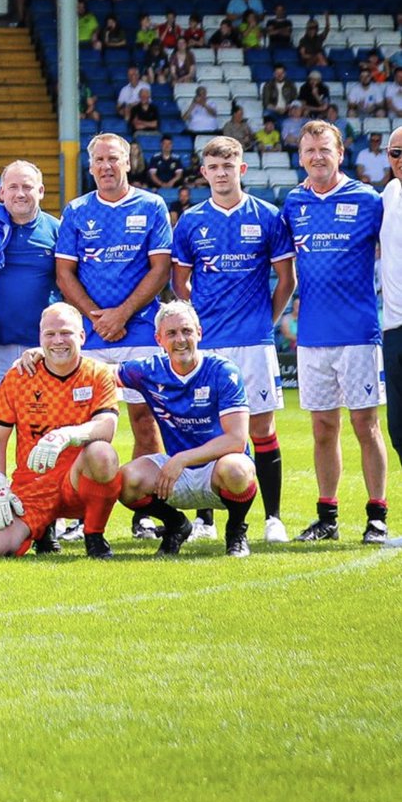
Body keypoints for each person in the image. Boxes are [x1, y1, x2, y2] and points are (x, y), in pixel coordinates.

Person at [172, 136, 295, 543]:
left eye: (229, 166)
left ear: (242, 170)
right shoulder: (190, 221)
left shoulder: (268, 216)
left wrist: (265, 322)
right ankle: (206, 520)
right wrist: (200, 327)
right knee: (205, 428)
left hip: (254, 341)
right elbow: (180, 284)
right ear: (203, 172)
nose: (221, 174)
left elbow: (286, 280)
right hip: (208, 345)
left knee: (261, 426)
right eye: (213, 167)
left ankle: (272, 518)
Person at [55, 132, 172, 539]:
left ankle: (145, 511)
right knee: (82, 426)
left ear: (127, 162)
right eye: (99, 160)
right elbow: (64, 272)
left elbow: (160, 269)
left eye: (114, 159)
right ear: (90, 167)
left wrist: (122, 313)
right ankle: (76, 513)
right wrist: (95, 316)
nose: (106, 166)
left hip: (139, 330)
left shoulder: (152, 205)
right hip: (92, 338)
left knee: (144, 420)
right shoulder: (76, 210)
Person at [282, 120, 388, 544]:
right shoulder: (293, 203)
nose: (316, 157)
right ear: (300, 155)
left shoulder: (368, 199)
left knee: (366, 425)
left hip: (359, 333)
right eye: (309, 150)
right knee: (323, 428)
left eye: (324, 149)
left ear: (340, 154)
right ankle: (327, 517)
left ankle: (376, 515)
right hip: (312, 337)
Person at [0, 302, 122, 560]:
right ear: (39, 338)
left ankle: (94, 534)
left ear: (81, 336)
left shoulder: (98, 374)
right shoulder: (18, 376)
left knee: (103, 453)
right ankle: (42, 529)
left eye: (66, 333)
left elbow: (107, 426)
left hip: (77, 480)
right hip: (33, 484)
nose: (58, 341)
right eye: (50, 334)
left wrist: (67, 434)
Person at [119, 301, 257, 557]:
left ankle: (236, 531)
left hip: (218, 467)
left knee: (238, 470)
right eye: (171, 334)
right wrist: (42, 354)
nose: (180, 340)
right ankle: (176, 526)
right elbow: (97, 373)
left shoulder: (223, 372)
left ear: (199, 334)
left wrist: (181, 459)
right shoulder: (149, 370)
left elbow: (237, 440)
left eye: (186, 331)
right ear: (159, 339)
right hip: (177, 471)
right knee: (126, 481)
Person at [0, 160, 60, 528]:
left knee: (46, 432)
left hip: (43, 351)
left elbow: (66, 284)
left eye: (28, 187)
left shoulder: (57, 230)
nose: (20, 194)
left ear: (41, 191)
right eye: (13, 187)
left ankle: (51, 517)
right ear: (1, 192)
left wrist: (52, 342)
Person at [381, 126, 402, 475]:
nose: (400, 160)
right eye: (395, 152)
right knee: (399, 431)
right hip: (394, 329)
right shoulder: (390, 193)